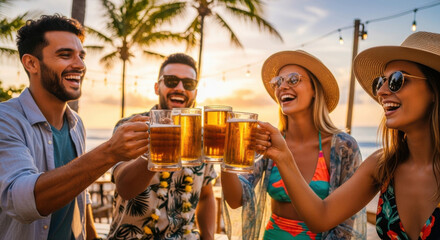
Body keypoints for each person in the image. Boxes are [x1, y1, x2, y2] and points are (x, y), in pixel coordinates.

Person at [255, 31, 440, 239]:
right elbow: (320, 218)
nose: (381, 91)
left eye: (397, 80)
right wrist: (283, 156)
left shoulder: (345, 147)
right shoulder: (383, 165)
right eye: (381, 82)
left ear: (434, 88)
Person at [0, 14, 150, 240]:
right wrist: (110, 152)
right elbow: (23, 202)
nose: (80, 65)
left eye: (81, 56)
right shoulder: (6, 120)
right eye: (65, 55)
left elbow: (82, 195)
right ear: (31, 63)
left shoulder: (76, 124)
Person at [221, 50, 366, 239]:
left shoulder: (343, 147)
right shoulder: (269, 142)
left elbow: (346, 227)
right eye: (278, 82)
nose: (282, 87)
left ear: (315, 89)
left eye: (293, 79)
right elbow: (236, 199)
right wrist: (226, 155)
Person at [108, 53, 217, 240]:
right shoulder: (131, 127)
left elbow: (207, 195)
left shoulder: (201, 138)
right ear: (157, 87)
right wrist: (159, 148)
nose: (180, 88)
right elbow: (124, 188)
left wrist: (209, 238)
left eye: (188, 84)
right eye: (171, 81)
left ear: (195, 93)